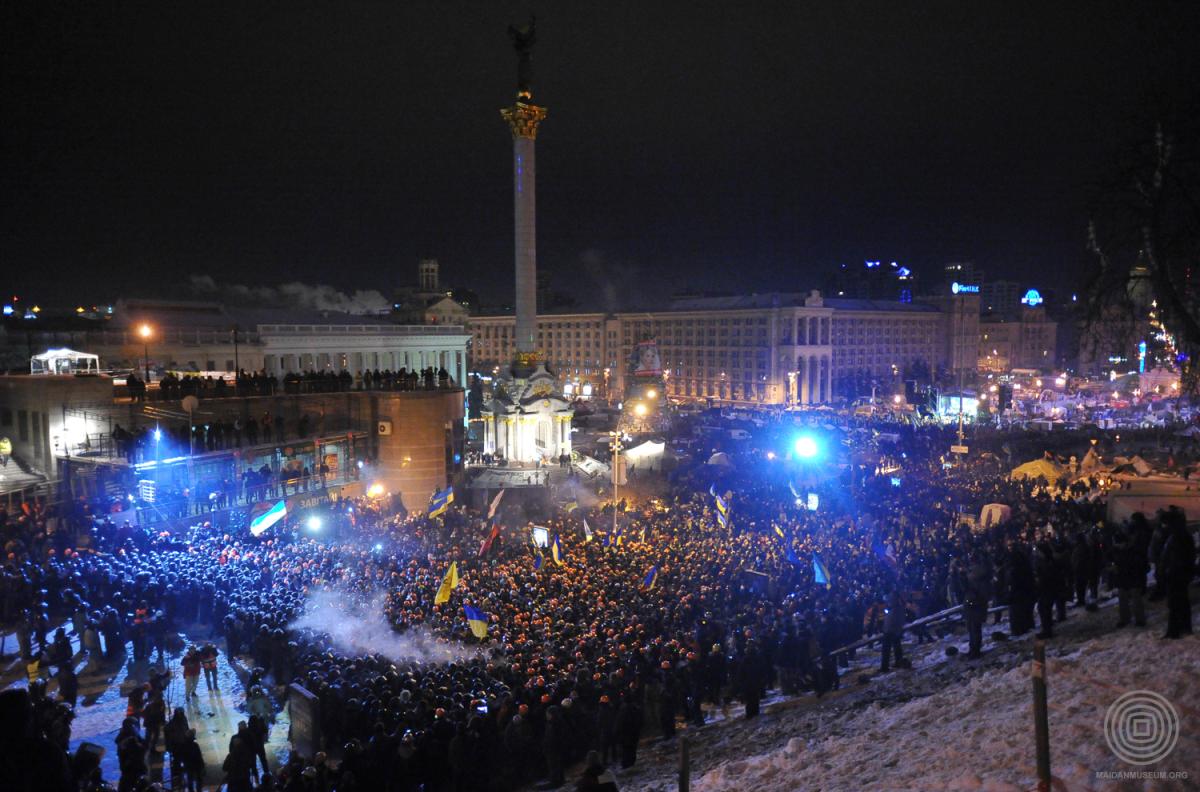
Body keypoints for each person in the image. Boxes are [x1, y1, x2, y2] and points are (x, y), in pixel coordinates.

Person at [1160, 508, 1195, 639]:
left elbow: (1176, 557)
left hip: (1176, 574)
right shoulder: (1181, 535)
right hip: (1179, 573)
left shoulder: (1178, 537)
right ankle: (1184, 627)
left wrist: (1168, 570)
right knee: (1182, 602)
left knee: (1175, 603)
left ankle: (1174, 630)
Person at [879, 588, 906, 672]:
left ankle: (885, 667)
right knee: (896, 647)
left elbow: (896, 621)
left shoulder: (896, 608)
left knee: (887, 649)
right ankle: (897, 662)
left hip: (891, 631)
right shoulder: (896, 608)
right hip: (892, 630)